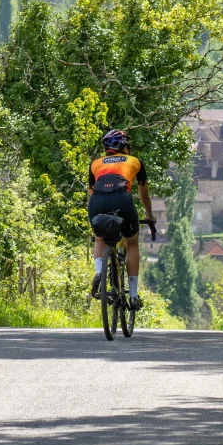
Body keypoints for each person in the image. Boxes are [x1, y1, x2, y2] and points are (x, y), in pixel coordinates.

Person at [88, 129, 154, 310]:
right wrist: (149, 216)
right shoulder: (135, 162)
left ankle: (99, 273)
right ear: (123, 146)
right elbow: (144, 195)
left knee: (100, 238)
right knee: (131, 243)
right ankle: (133, 296)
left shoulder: (95, 163)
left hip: (96, 202)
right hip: (122, 199)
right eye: (128, 145)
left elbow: (91, 191)